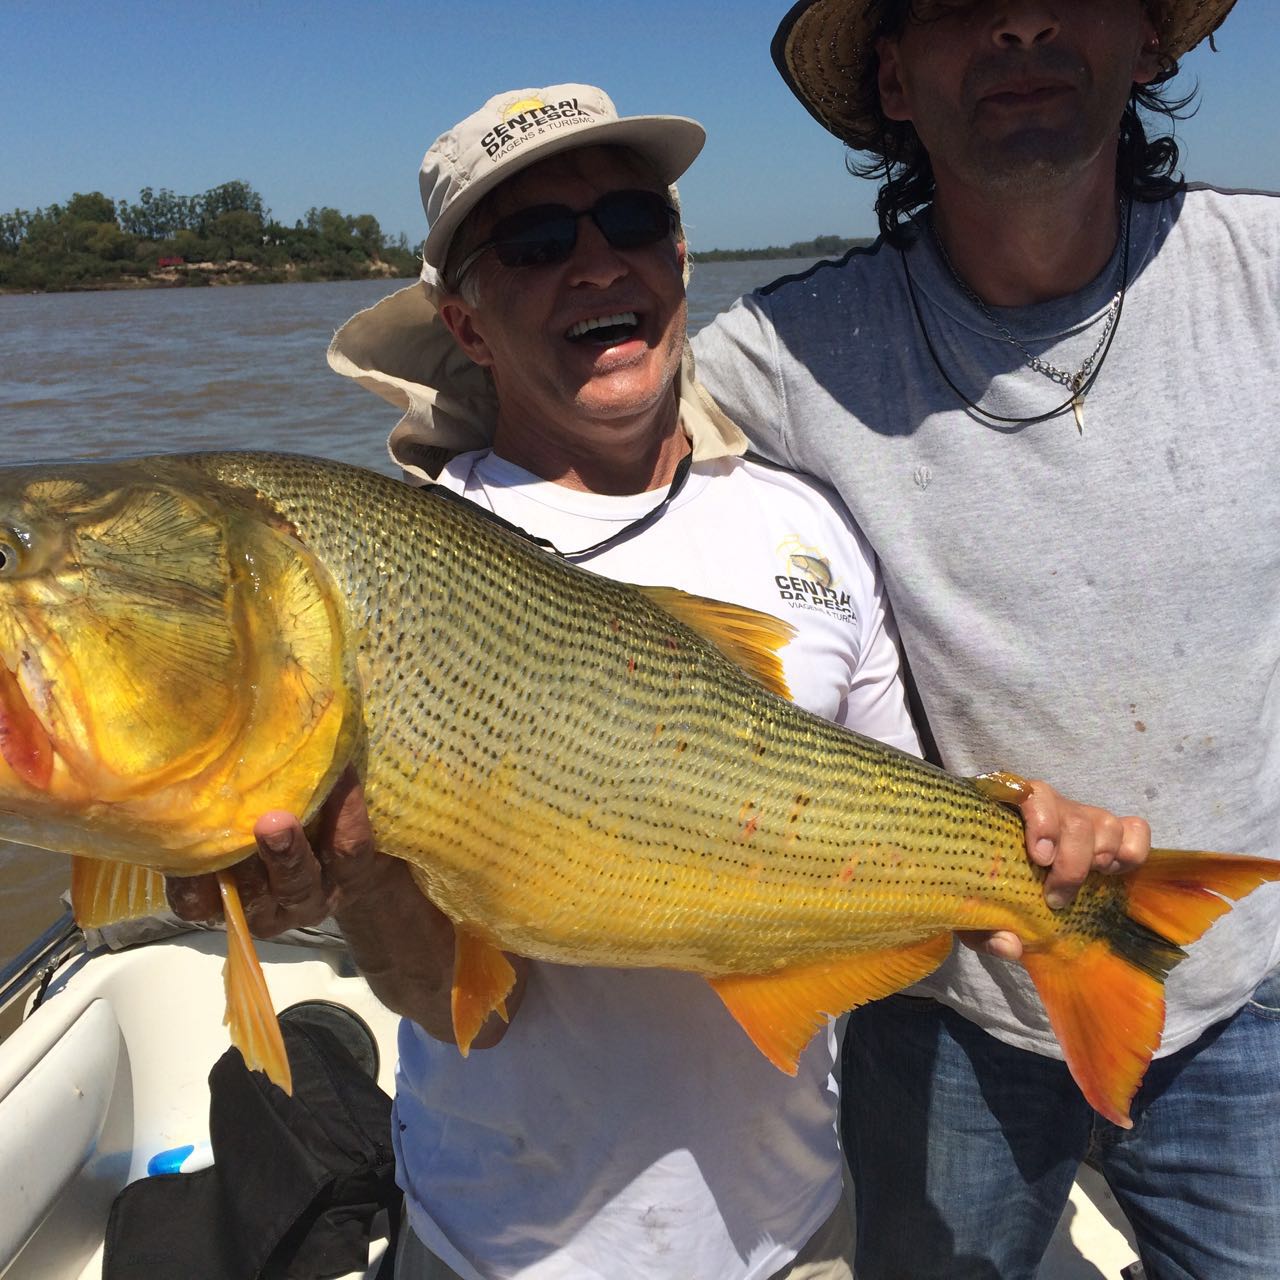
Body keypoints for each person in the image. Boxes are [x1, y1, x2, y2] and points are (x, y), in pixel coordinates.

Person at [170, 83, 1146, 1279]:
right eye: (533, 242)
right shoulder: (397, 565)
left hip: (798, 1231)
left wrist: (1022, 863)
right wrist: (358, 879)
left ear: (678, 259)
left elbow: (891, 802)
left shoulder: (807, 522)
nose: (594, 264)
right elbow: (448, 1001)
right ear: (464, 321)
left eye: (628, 221)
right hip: (494, 1247)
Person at [691, 3, 1280, 1277]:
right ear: (895, 82)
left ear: (1147, 44)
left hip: (1239, 979)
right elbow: (562, 429)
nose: (1017, 22)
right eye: (958, 5)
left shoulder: (1266, 276)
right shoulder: (784, 359)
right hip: (950, 1008)